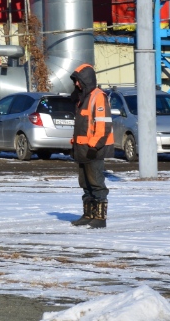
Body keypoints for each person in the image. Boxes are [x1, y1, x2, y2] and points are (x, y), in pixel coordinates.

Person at [68, 63, 113, 229]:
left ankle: (100, 218)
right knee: (85, 184)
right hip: (81, 150)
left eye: (78, 81)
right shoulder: (83, 99)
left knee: (96, 184)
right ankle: (88, 215)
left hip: (93, 150)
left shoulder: (97, 96)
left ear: (86, 80)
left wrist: (95, 146)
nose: (76, 84)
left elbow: (103, 125)